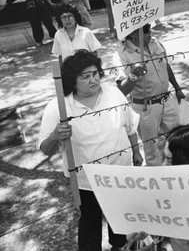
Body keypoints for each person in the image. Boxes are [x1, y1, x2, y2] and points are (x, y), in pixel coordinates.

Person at [38, 50, 143, 251]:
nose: (93, 80)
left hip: (120, 173)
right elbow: (45, 148)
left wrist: (136, 153)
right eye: (85, 77)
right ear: (72, 81)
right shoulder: (58, 107)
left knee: (121, 218)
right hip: (86, 182)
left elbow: (129, 127)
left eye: (95, 73)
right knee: (89, 222)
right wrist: (55, 136)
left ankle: (120, 246)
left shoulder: (113, 93)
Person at [114, 23, 185, 166]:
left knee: (177, 141)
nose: (150, 32)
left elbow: (165, 66)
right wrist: (134, 75)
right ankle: (159, 182)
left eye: (149, 27)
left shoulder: (156, 43)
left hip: (167, 100)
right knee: (151, 150)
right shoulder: (121, 54)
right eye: (145, 30)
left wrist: (177, 87)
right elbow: (122, 90)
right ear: (132, 33)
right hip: (146, 108)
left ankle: (178, 172)